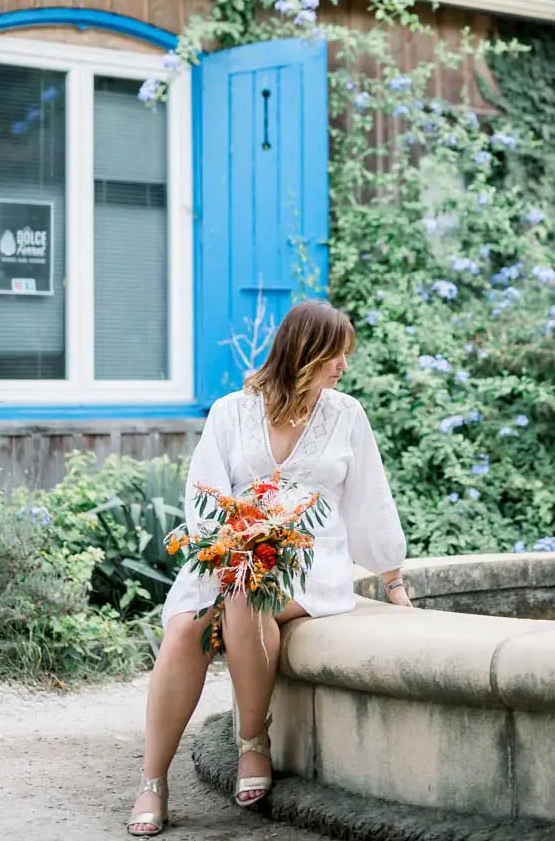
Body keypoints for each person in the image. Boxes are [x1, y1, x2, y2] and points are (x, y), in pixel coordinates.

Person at [127, 299, 411, 836]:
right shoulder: (231, 411)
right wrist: (230, 540)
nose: (343, 367)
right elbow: (205, 493)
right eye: (336, 355)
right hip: (234, 548)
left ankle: (253, 742)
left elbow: (371, 499)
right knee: (187, 627)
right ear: (306, 352)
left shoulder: (346, 414)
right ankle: (152, 780)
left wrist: (392, 577)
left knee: (244, 592)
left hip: (311, 558)